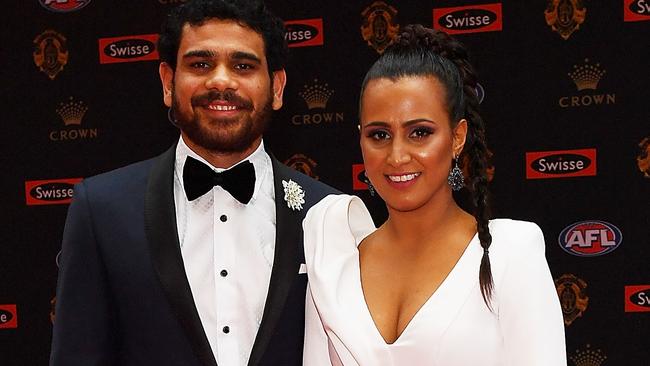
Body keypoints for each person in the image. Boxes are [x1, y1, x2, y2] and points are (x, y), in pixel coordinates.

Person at [50, 1, 337, 365]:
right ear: (168, 82)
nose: (221, 81)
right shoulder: (101, 210)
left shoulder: (326, 214)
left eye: (243, 66)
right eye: (200, 64)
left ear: (277, 88)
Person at [302, 24, 566, 365]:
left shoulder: (510, 253)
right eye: (379, 135)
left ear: (457, 137)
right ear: (360, 140)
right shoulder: (332, 260)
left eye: (419, 133)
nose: (397, 156)